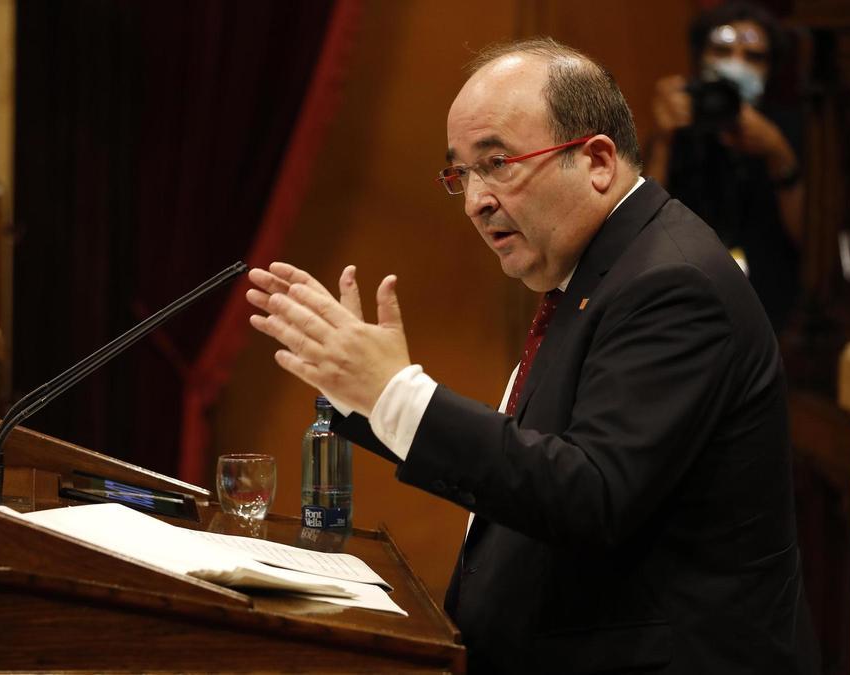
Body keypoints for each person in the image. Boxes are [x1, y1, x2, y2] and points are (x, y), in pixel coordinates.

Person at [247, 37, 817, 674]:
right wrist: (364, 393)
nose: (475, 200)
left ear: (597, 160)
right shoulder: (599, 271)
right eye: (461, 173)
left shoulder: (672, 284)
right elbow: (533, 471)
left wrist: (396, 395)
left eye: (497, 163)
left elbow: (590, 493)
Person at [645, 0, 803, 332]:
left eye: (754, 57)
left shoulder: (790, 128)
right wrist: (662, 140)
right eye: (721, 50)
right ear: (700, 57)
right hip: (685, 307)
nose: (736, 64)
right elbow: (640, 236)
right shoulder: (679, 128)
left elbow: (809, 240)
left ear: (771, 68)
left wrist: (778, 153)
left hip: (770, 312)